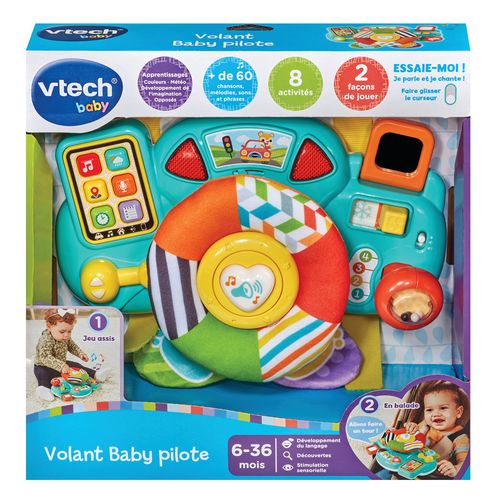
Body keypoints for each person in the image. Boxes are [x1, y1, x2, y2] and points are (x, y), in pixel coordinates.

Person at [34, 308, 110, 401]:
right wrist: (61, 365)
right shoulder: (45, 339)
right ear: (49, 326)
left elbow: (72, 346)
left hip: (62, 364)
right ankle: (43, 389)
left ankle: (96, 374)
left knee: (76, 366)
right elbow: (45, 357)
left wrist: (80, 353)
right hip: (43, 366)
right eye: (62, 332)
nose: (66, 335)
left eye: (69, 331)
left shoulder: (65, 337)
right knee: (42, 375)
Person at [404, 380, 469, 478]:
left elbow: (464, 463)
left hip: (433, 477)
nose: (435, 414)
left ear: (458, 412)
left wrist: (455, 469)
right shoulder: (426, 425)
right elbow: (411, 436)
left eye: (443, 408)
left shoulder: (460, 438)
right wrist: (412, 427)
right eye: (429, 410)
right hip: (410, 467)